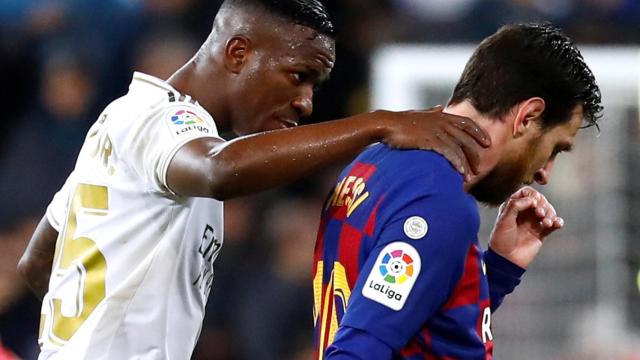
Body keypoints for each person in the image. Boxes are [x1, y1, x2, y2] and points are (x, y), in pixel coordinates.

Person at [16, 0, 492, 359]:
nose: (306, 102)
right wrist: (378, 124)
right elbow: (218, 170)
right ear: (239, 52)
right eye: (297, 76)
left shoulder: (121, 123)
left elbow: (39, 262)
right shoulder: (160, 120)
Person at [312, 23, 602, 359]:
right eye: (553, 148)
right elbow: (357, 351)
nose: (544, 173)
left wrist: (498, 270)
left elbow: (416, 322)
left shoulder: (373, 165)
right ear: (528, 116)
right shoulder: (438, 201)